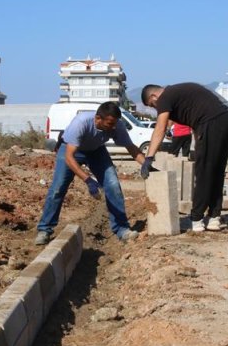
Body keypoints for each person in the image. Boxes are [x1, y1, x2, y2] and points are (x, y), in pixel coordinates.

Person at [35, 101, 146, 245]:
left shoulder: (116, 125)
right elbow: (69, 157)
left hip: (96, 151)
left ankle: (122, 229)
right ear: (98, 118)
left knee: (112, 184)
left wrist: (147, 164)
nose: (113, 128)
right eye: (109, 124)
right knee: (58, 188)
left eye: (114, 124)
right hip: (71, 151)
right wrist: (88, 180)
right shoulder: (81, 123)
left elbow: (130, 147)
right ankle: (45, 229)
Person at [140, 83, 228, 232]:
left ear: (154, 96)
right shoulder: (180, 93)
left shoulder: (165, 97)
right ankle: (214, 217)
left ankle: (197, 219)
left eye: (153, 105)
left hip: (213, 121)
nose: (155, 108)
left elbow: (161, 126)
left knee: (203, 171)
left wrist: (149, 158)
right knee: (216, 170)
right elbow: (196, 115)